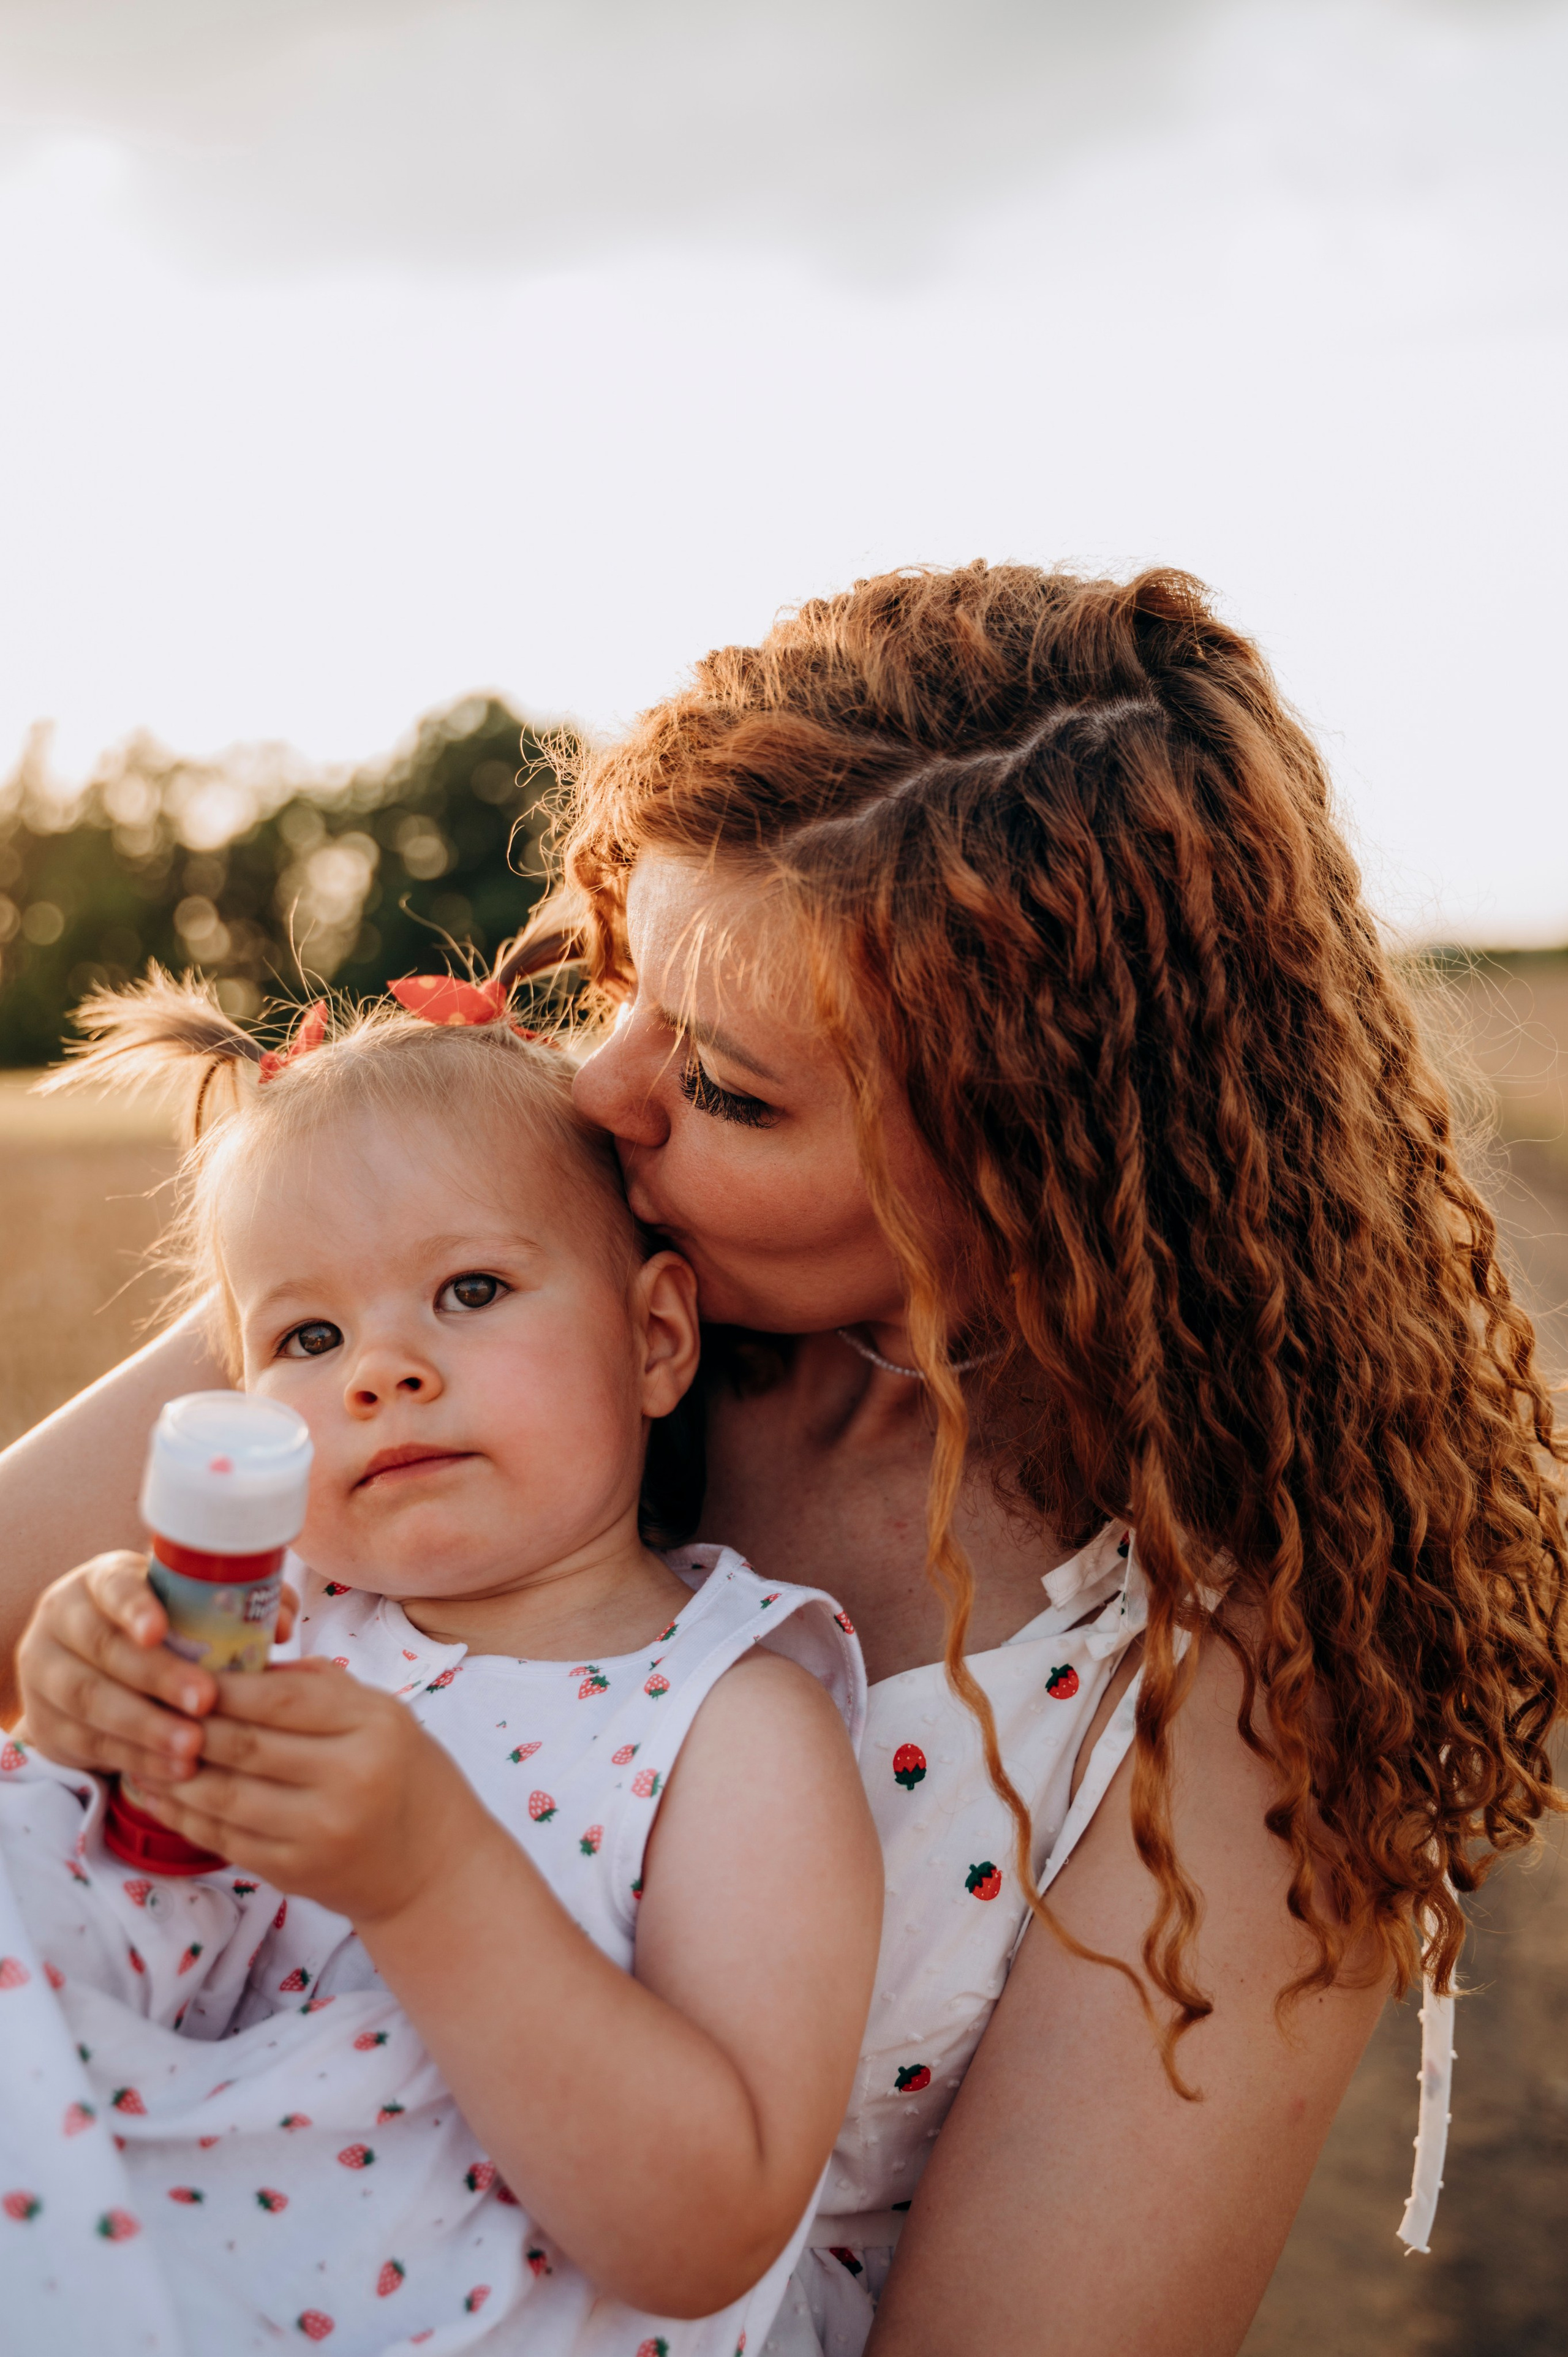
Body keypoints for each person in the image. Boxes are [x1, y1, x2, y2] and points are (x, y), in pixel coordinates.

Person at [4, 562, 1564, 2356]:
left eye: (731, 1090)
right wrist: (110, 1664)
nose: (601, 1089)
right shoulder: (483, 1262)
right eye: (623, 984)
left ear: (1021, 1179)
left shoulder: (1229, 1706)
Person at [1, 975, 880, 2356]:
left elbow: (709, 2231)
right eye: (308, 1337)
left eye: (469, 1289)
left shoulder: (730, 1716)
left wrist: (427, 1875)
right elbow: (131, 1930)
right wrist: (88, 1703)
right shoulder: (266, 1626)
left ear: (654, 1336)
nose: (382, 1371)